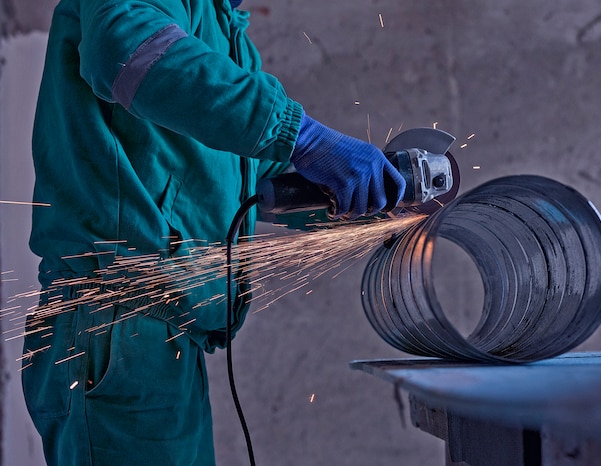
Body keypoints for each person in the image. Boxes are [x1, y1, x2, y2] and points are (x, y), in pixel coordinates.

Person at [22, 1, 406, 465]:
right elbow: (123, 48)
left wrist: (360, 204)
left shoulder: (223, 30)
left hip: (161, 336)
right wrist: (304, 135)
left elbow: (258, 178)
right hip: (116, 325)